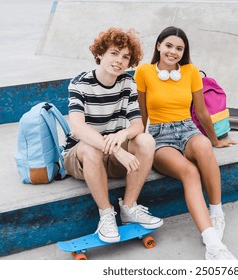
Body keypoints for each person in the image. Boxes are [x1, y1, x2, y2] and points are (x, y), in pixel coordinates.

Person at [134, 26, 238, 260]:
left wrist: (215, 141)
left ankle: (217, 212)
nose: (173, 52)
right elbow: (141, 115)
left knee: (203, 147)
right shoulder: (144, 72)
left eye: (179, 48)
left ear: (184, 52)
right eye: (169, 46)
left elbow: (200, 112)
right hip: (160, 137)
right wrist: (138, 147)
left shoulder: (190, 71)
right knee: (190, 172)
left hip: (188, 129)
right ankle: (213, 244)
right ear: (158, 45)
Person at [63, 27, 163, 243]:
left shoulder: (127, 82)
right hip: (81, 155)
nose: (120, 60)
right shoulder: (80, 83)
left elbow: (138, 124)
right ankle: (106, 215)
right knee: (90, 148)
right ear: (100, 53)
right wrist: (118, 150)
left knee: (146, 140)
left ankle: (128, 207)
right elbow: (77, 128)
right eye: (114, 53)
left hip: (110, 154)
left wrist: (125, 132)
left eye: (126, 56)